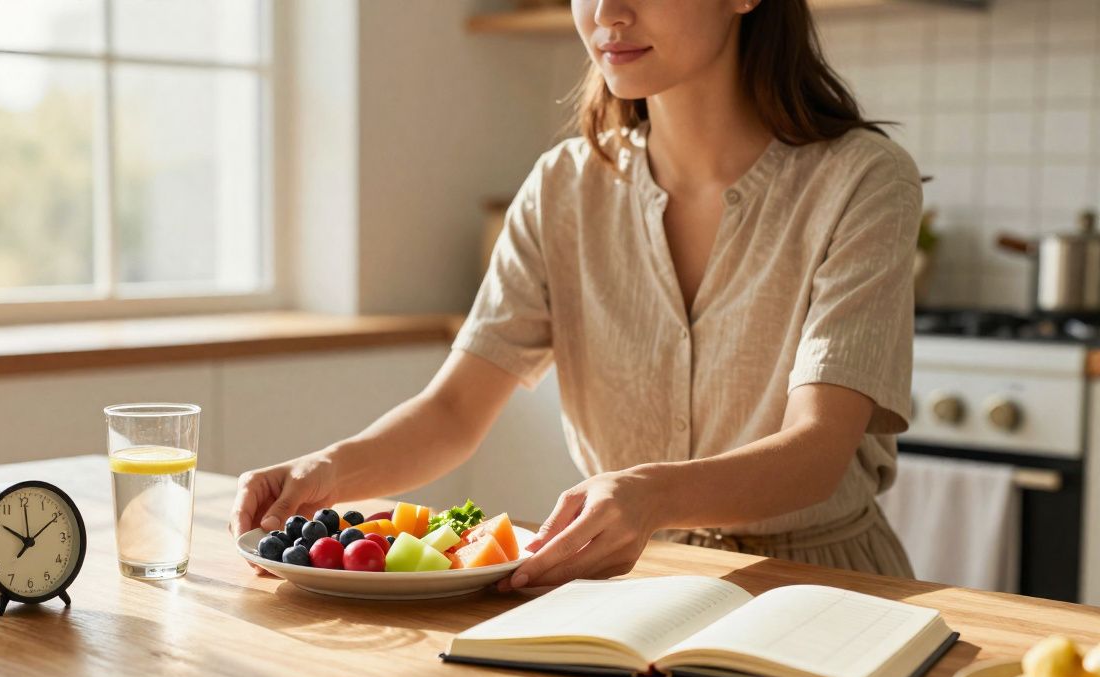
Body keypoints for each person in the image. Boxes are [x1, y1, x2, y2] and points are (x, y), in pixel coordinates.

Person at [231, 0, 920, 589]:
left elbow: (815, 451)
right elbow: (452, 411)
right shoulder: (563, 187)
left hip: (826, 589)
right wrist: (326, 470)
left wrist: (650, 495)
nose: (606, 13)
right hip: (630, 588)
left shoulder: (862, 181)